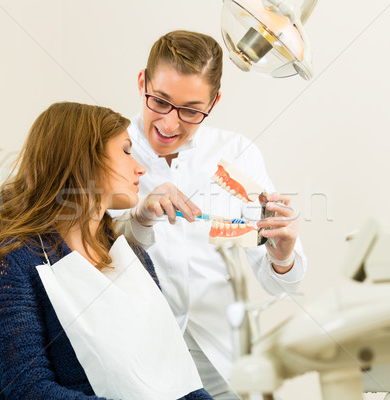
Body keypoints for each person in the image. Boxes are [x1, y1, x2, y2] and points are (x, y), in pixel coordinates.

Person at [0, 102, 213, 400]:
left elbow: (176, 380)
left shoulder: (132, 256)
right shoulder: (14, 261)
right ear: (85, 160)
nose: (140, 167)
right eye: (127, 151)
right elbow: (30, 390)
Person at [113, 31, 308, 399]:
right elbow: (78, 252)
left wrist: (282, 258)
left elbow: (280, 283)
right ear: (143, 83)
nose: (170, 125)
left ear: (214, 102)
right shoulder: (108, 148)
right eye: (160, 102)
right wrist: (138, 216)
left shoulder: (237, 153)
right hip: (135, 356)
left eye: (190, 110)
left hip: (218, 356)